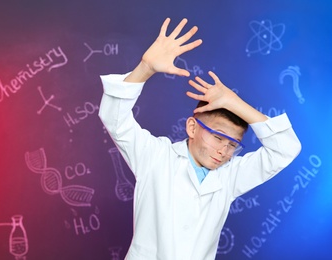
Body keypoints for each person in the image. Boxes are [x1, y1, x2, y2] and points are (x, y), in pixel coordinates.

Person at [98, 18, 301, 260]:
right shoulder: (156, 156)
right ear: (192, 127)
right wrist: (146, 68)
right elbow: (115, 119)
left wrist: (234, 102)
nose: (224, 151)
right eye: (218, 137)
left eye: (232, 145)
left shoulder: (230, 175)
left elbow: (286, 150)